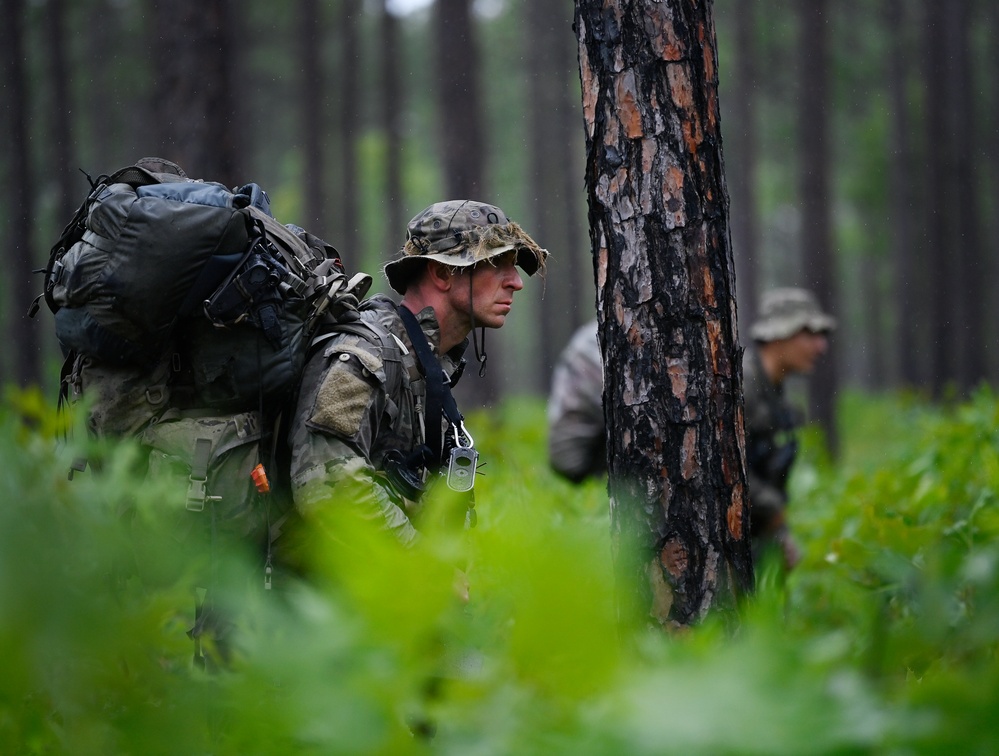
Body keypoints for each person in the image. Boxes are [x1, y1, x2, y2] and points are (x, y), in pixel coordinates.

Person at [287, 200, 547, 552]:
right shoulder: (365, 357)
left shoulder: (427, 365)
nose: (515, 282)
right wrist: (425, 566)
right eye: (497, 263)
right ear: (442, 273)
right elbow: (328, 489)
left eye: (514, 265)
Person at [743, 287, 836, 569]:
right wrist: (773, 513)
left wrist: (779, 535)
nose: (821, 347)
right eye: (809, 334)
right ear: (779, 335)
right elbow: (724, 470)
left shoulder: (776, 397)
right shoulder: (742, 387)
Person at [547, 319, 605, 482]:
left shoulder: (590, 336)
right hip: (575, 459)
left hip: (572, 454)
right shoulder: (592, 341)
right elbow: (566, 458)